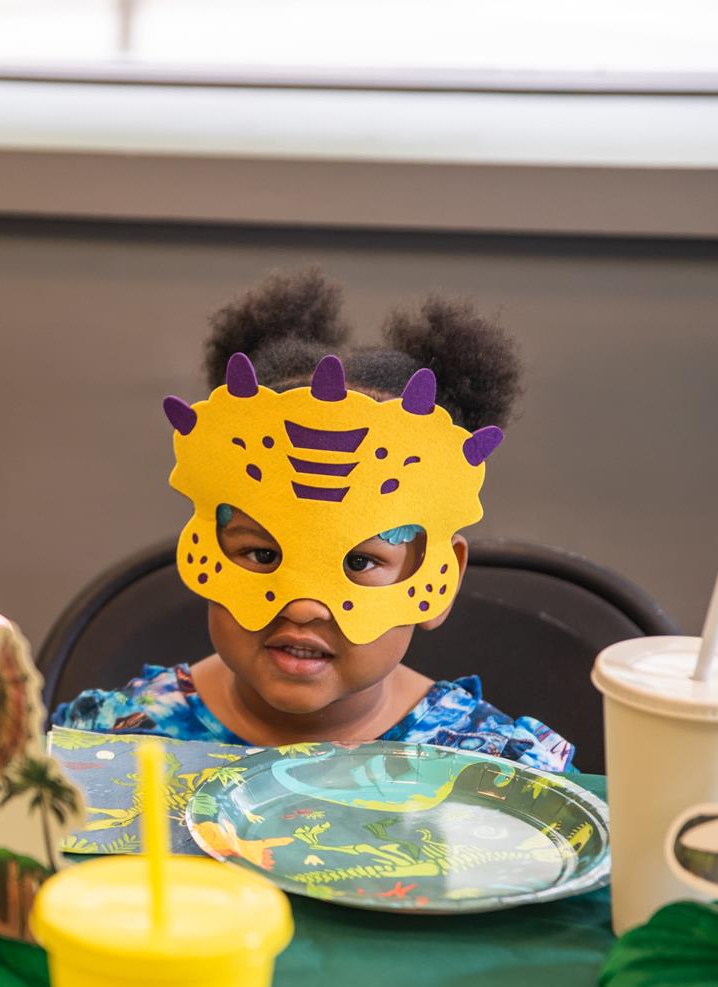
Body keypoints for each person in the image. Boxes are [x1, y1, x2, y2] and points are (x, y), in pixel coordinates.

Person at [54, 269, 573, 772]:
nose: (302, 606)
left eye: (362, 561)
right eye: (262, 554)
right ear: (202, 548)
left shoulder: (498, 774)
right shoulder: (114, 741)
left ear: (442, 576)